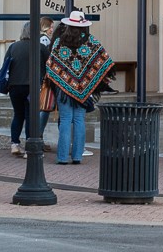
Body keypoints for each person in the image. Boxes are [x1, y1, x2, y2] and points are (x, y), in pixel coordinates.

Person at [45, 11, 114, 165]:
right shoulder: (91, 42)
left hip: (63, 89)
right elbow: (104, 61)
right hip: (84, 88)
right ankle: (77, 156)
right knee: (79, 120)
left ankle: (62, 157)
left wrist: (62, 79)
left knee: (65, 121)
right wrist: (91, 80)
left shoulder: (58, 42)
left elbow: (50, 66)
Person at [1, 21, 50, 155]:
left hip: (14, 86)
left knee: (18, 114)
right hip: (32, 87)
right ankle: (30, 148)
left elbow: (6, 66)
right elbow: (49, 66)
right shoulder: (40, 47)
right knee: (31, 117)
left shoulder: (13, 47)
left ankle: (15, 144)